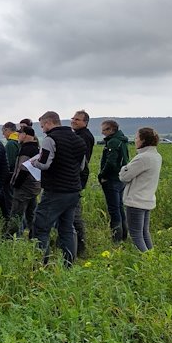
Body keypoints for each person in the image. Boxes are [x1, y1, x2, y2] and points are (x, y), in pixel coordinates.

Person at [32, 111, 86, 266]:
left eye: (43, 126)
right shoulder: (78, 140)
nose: (42, 129)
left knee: (41, 228)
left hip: (55, 190)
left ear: (49, 123)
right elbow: (81, 166)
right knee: (67, 228)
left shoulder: (50, 139)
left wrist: (33, 162)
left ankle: (41, 264)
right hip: (73, 191)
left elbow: (44, 164)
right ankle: (68, 264)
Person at [119, 128, 163, 252]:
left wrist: (124, 168)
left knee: (135, 234)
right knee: (144, 232)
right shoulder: (156, 156)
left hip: (136, 200)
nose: (135, 140)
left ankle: (145, 262)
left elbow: (124, 176)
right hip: (147, 199)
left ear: (143, 140)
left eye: (137, 137)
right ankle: (152, 259)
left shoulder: (142, 158)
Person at [6, 126, 41, 238]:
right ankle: (35, 237)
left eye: (19, 134)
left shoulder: (26, 149)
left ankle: (11, 238)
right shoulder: (36, 148)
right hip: (34, 187)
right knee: (31, 215)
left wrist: (15, 184)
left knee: (16, 215)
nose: (18, 136)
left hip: (23, 188)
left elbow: (23, 170)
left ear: (25, 135)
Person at [99, 119, 130, 243]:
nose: (102, 133)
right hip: (121, 178)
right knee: (120, 207)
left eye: (104, 130)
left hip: (111, 179)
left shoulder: (113, 142)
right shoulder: (122, 141)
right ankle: (124, 236)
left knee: (114, 210)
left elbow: (111, 162)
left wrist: (102, 175)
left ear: (111, 129)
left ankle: (116, 239)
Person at [70, 110, 96, 256]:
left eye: (77, 119)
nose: (73, 121)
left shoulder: (83, 136)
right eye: (73, 118)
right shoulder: (80, 134)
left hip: (77, 177)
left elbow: (80, 160)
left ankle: (80, 245)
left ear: (85, 122)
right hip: (77, 177)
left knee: (75, 213)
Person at [0, 122, 20, 223]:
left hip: (10, 178)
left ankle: (10, 224)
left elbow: (9, 162)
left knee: (9, 202)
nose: (3, 135)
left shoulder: (11, 144)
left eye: (3, 132)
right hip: (17, 176)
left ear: (8, 130)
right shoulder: (19, 140)